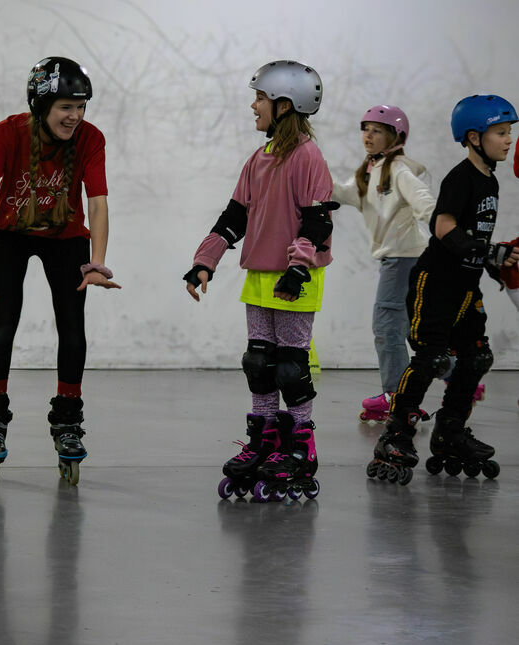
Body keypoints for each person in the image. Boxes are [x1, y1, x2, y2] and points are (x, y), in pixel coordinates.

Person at [0, 57, 121, 484]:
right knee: (4, 322)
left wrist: (97, 261)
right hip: (9, 234)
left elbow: (98, 202)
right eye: (66, 107)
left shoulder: (91, 138)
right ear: (40, 104)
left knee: (72, 325)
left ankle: (68, 420)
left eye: (81, 107)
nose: (75, 116)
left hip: (66, 237)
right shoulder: (6, 133)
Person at [184, 60, 337, 502]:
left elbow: (317, 221)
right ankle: (266, 438)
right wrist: (205, 260)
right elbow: (235, 216)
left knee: (291, 366)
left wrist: (299, 266)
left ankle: (302, 446)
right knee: (259, 362)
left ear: (284, 105)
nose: (254, 106)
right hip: (259, 275)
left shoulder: (307, 156)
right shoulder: (259, 158)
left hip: (296, 277)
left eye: (260, 99)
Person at [366, 94, 519, 485]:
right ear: (474, 137)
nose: (508, 140)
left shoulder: (490, 181)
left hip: (466, 288)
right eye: (501, 133)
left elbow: (473, 236)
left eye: (509, 133)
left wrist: (494, 259)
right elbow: (443, 227)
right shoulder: (460, 177)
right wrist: (488, 250)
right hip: (434, 284)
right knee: (431, 359)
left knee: (477, 357)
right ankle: (396, 433)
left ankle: (450, 430)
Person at [332, 105, 436, 421]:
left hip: (404, 257)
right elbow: (346, 194)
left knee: (387, 327)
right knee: (411, 330)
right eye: (365, 129)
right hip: (400, 258)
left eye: (377, 130)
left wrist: (448, 237)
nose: (368, 135)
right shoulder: (371, 170)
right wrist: (315, 174)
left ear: (396, 137)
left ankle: (396, 396)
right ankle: (460, 376)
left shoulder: (399, 170)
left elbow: (426, 204)